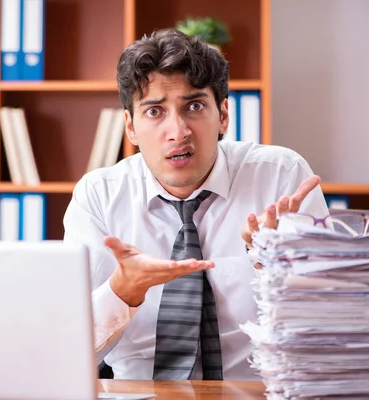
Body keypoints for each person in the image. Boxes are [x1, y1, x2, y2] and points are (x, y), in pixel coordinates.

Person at [62, 27, 329, 381]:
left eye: (194, 106)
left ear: (222, 116)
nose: (178, 131)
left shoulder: (280, 178)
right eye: (155, 112)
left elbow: (328, 330)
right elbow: (64, 346)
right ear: (130, 127)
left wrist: (276, 267)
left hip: (254, 392)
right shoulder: (98, 197)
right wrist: (123, 291)